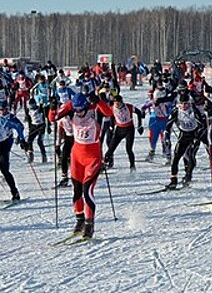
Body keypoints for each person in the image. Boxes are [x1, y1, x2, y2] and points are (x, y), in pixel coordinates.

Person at [48, 92, 113, 239]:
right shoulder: (71, 106)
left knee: (87, 190)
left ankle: (90, 225)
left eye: (81, 110)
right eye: (76, 110)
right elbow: (53, 118)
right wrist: (52, 108)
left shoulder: (94, 108)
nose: (79, 113)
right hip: (77, 155)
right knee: (76, 190)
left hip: (93, 157)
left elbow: (109, 113)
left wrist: (100, 101)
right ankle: (80, 221)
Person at [164, 93, 205, 189]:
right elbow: (168, 126)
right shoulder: (176, 111)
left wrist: (197, 138)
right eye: (181, 103)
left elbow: (201, 126)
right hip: (183, 135)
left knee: (191, 156)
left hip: (194, 135)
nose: (183, 106)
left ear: (189, 103)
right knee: (176, 156)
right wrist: (167, 137)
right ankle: (173, 181)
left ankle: (188, 177)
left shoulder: (194, 111)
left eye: (186, 103)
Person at [103, 95, 144, 172]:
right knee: (111, 149)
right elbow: (111, 116)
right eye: (115, 103)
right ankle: (104, 164)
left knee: (129, 149)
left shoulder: (128, 107)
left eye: (118, 103)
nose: (117, 105)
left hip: (129, 129)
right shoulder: (112, 108)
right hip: (119, 129)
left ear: (121, 102)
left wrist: (139, 126)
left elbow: (138, 112)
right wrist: (111, 127)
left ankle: (132, 166)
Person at [0, 100, 28, 201]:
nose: (3, 111)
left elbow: (19, 127)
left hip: (6, 142)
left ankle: (15, 192)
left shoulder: (9, 118)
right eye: (1, 110)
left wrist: (22, 140)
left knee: (4, 169)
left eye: (5, 109)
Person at [25, 98, 47, 163]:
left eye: (33, 105)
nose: (32, 107)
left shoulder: (39, 109)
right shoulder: (28, 110)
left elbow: (45, 118)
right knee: (29, 141)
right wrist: (29, 129)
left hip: (41, 126)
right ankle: (31, 155)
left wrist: (47, 126)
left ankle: (44, 156)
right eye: (30, 105)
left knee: (39, 142)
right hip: (33, 126)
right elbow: (29, 120)